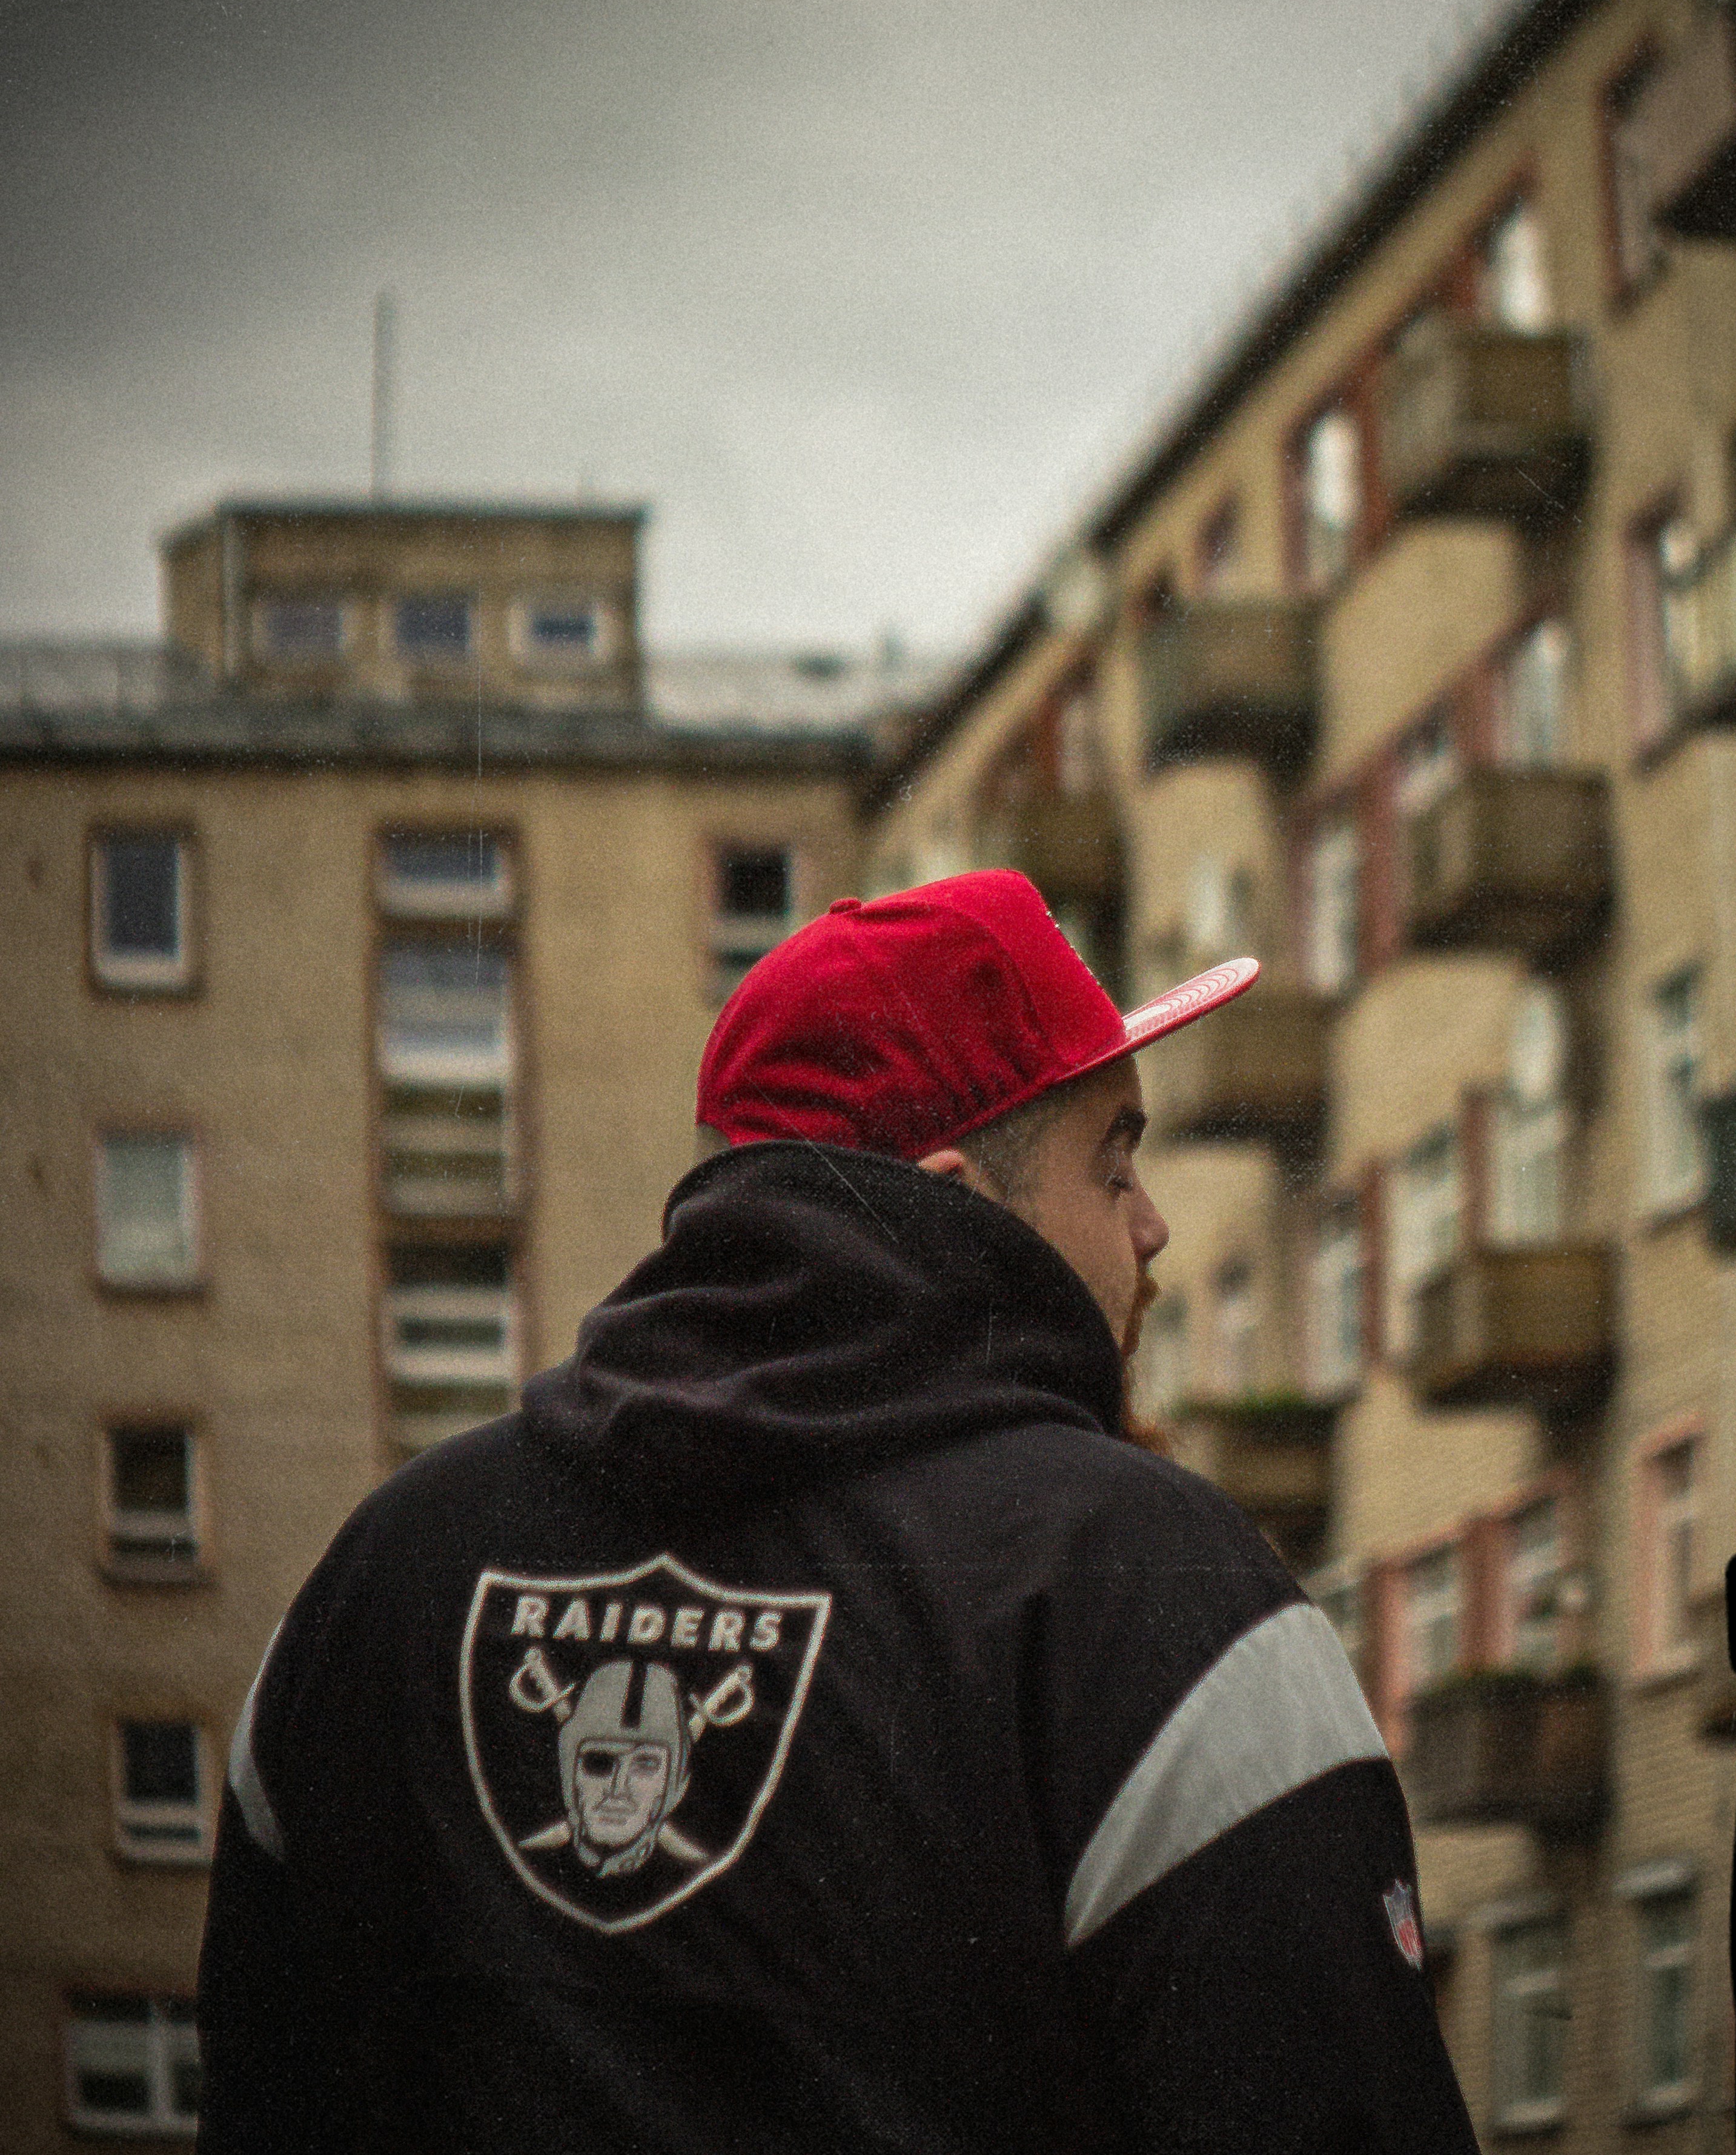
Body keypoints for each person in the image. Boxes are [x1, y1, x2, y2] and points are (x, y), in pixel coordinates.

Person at [197, 869, 1477, 2153]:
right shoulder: (1148, 1589)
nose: (1150, 1228)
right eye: (1113, 1162)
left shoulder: (387, 1574)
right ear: (957, 1198)